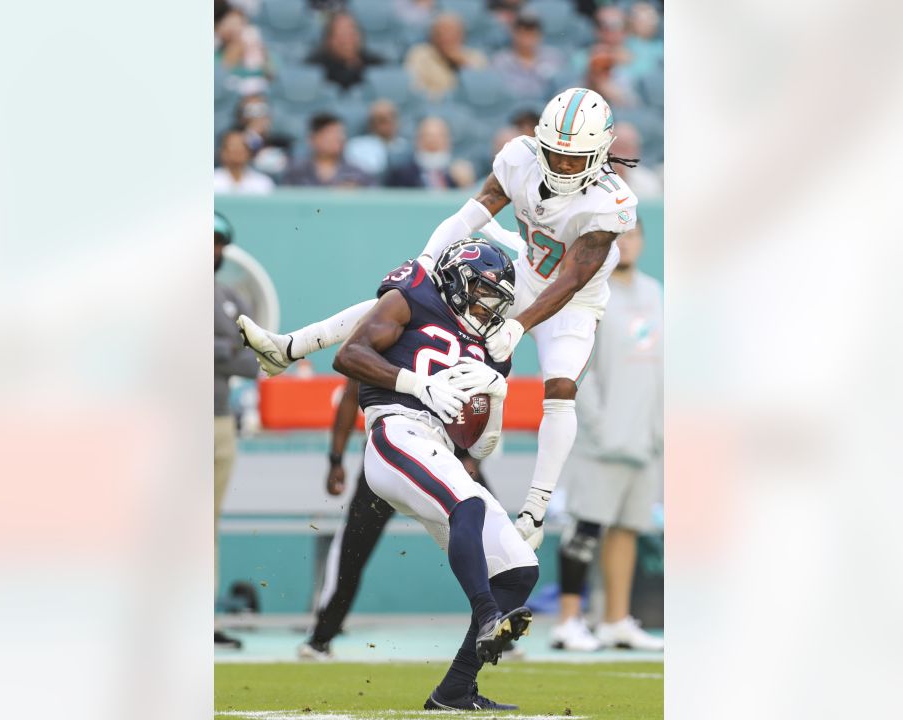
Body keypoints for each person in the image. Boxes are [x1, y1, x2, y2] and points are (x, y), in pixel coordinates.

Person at [238, 87, 642, 554]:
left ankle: (534, 509)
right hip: (526, 272)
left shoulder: (612, 203)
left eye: (575, 160)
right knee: (408, 299)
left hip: (572, 301)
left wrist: (519, 325)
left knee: (561, 391)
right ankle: (288, 347)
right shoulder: (520, 158)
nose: (563, 166)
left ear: (600, 154)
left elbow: (572, 279)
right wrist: (427, 263)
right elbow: (469, 214)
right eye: (555, 154)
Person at [331, 238, 536, 710]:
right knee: (468, 504)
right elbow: (348, 355)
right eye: (484, 293)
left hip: (439, 448)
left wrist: (497, 401)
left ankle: (455, 689)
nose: (489, 308)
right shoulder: (413, 297)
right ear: (460, 282)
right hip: (395, 432)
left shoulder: (490, 348)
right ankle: (487, 614)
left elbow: (476, 445)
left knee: (520, 568)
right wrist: (415, 382)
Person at [300, 378, 503, 660]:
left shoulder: (458, 338)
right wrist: (336, 458)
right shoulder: (381, 340)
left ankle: (500, 630)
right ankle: (322, 636)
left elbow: (484, 401)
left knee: (492, 539)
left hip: (446, 452)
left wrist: (472, 460)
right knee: (353, 546)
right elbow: (351, 394)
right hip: (391, 448)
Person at [549, 222, 664, 652]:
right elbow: (580, 368)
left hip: (646, 440)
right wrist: (600, 426)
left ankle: (616, 620)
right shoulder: (589, 292)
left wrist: (658, 428)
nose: (629, 241)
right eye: (622, 235)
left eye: (636, 234)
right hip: (602, 441)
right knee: (585, 526)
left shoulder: (655, 292)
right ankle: (567, 621)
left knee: (627, 529)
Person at [214, 213, 261, 648]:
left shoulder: (229, 296)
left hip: (219, 420)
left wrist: (220, 351)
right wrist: (224, 349)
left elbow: (253, 358)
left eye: (216, 242)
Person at [404, 13, 488, 101]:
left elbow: (482, 91)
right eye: (441, 32)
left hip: (467, 107)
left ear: (462, 35)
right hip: (432, 106)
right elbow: (414, 89)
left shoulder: (476, 57)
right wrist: (444, 99)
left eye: (452, 32)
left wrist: (463, 65)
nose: (446, 37)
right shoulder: (419, 54)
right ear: (432, 36)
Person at [490, 11, 567, 103]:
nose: (527, 38)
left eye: (532, 32)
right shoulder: (500, 61)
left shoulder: (554, 58)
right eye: (522, 32)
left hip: (547, 107)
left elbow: (562, 89)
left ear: (540, 34)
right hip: (511, 110)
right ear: (513, 33)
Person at [282, 113, 374, 188]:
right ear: (313, 138)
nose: (339, 138)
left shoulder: (357, 174)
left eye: (341, 133)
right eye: (331, 134)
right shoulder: (296, 172)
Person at [384, 116, 474, 190]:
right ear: (417, 139)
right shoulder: (402, 174)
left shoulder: (459, 172)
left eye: (439, 136)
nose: (432, 141)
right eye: (427, 135)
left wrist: (466, 185)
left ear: (449, 140)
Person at [305, 12, 384, 92]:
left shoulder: (375, 64)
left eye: (351, 33)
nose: (347, 40)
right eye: (341, 35)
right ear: (329, 40)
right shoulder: (314, 67)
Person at [345, 100, 410, 179]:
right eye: (382, 120)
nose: (389, 122)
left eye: (393, 117)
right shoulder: (357, 146)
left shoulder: (407, 147)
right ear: (372, 123)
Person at [214, 129, 276, 195]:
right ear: (223, 152)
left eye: (242, 146)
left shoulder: (263, 183)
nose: (238, 150)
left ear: (249, 152)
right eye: (233, 146)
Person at [610, 122, 661, 199]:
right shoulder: (594, 179)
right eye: (616, 147)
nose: (620, 154)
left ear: (637, 150)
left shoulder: (648, 180)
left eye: (625, 148)